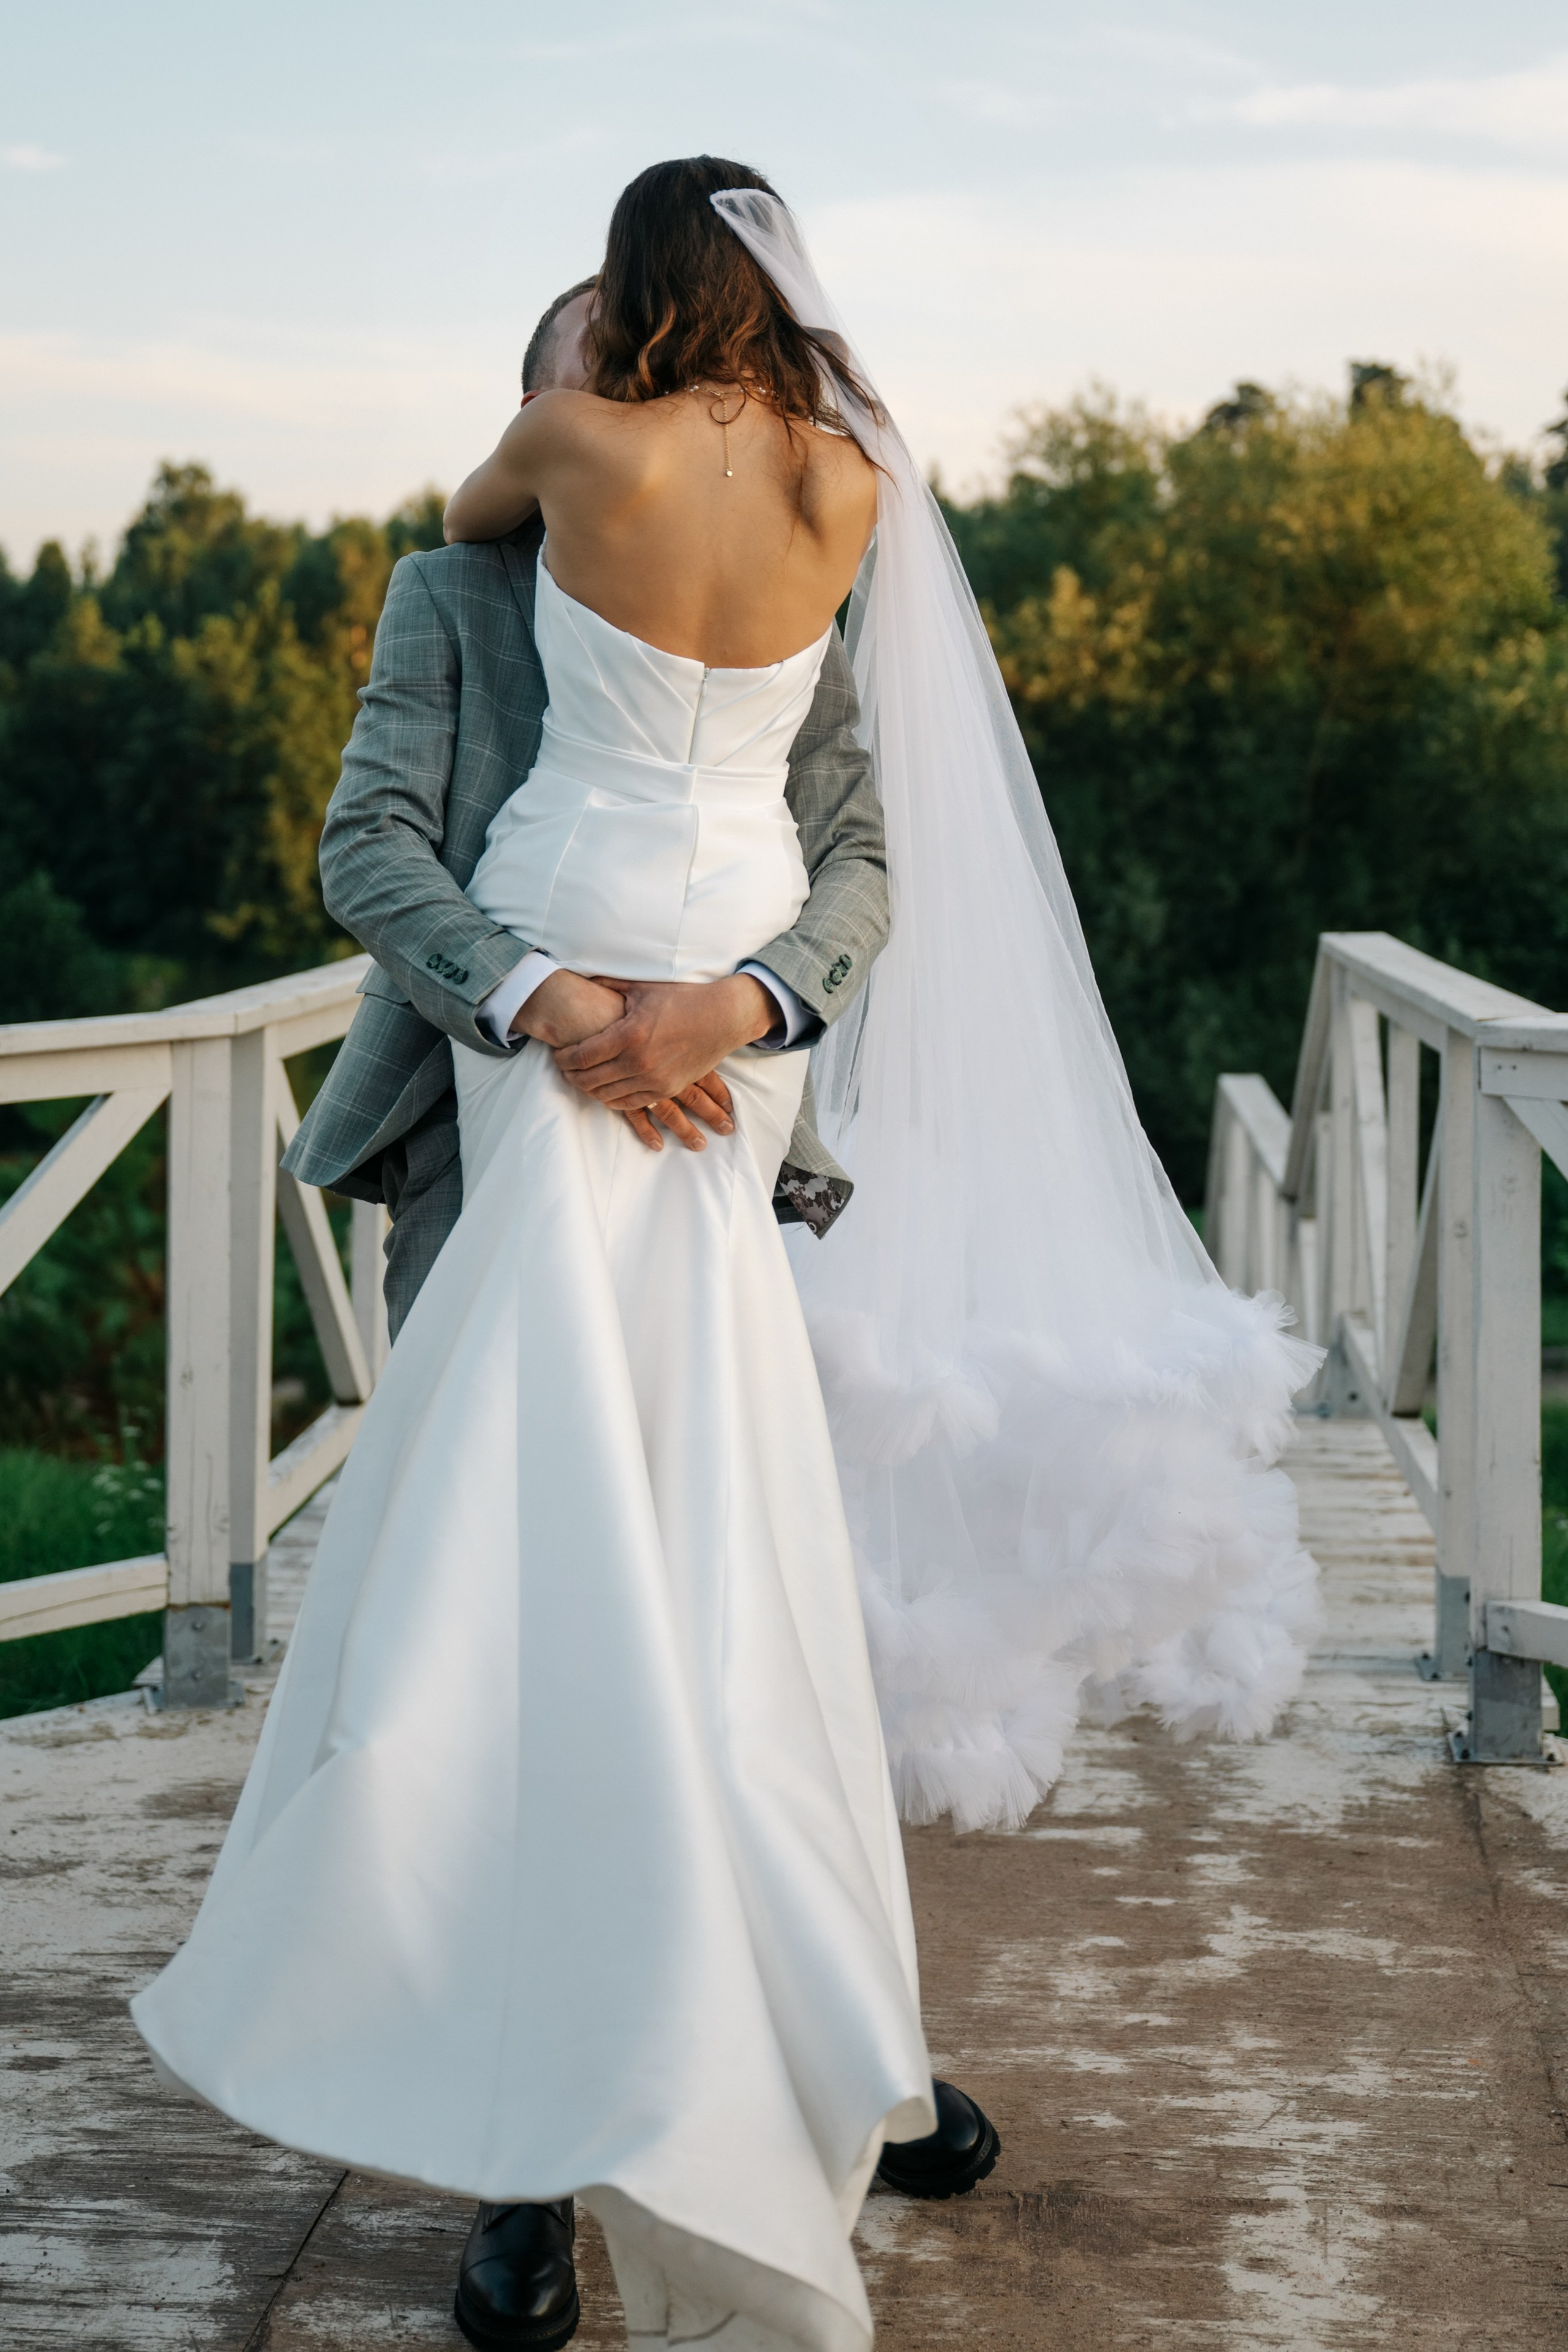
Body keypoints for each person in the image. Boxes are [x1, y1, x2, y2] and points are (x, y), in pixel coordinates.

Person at [133, 158, 1013, 2352]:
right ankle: (544, 2169)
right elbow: (370, 852)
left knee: (708, 1591)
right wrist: (553, 1003)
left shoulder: (546, 477)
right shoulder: (790, 498)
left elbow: (866, 851)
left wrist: (737, 1003)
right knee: (564, 1624)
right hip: (524, 1101)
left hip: (708, 1087)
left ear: (619, 321)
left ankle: (795, 2037)